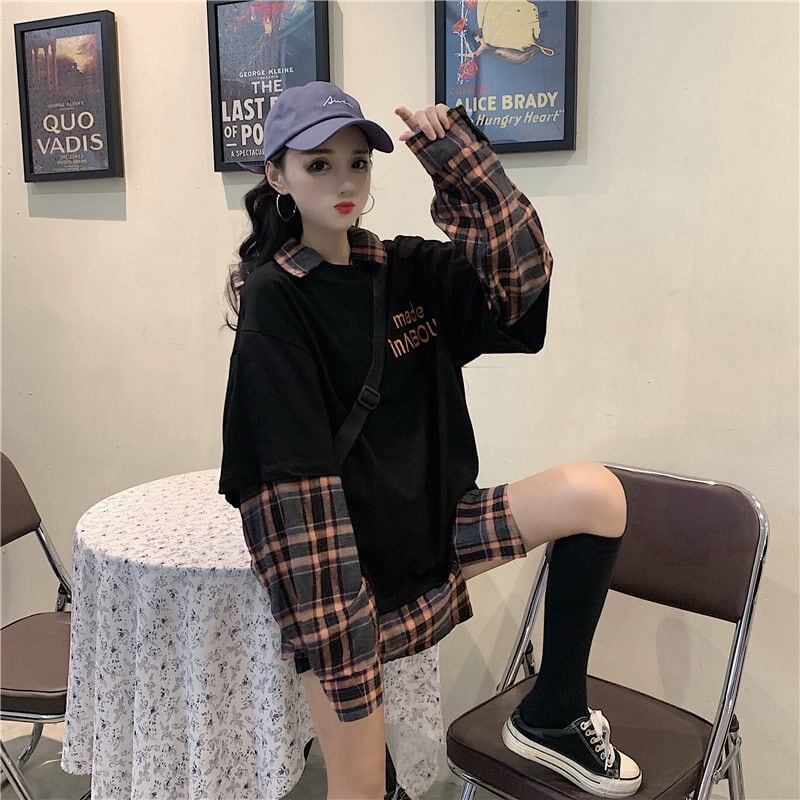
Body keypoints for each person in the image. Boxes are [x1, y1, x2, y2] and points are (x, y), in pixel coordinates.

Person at [218, 80, 642, 800]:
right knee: (359, 786)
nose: (345, 182)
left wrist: (462, 164)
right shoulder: (276, 298)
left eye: (358, 162)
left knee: (598, 497)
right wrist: (342, 632)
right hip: (345, 572)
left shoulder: (400, 270)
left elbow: (520, 281)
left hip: (435, 530)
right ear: (277, 176)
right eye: (319, 165)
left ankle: (551, 714)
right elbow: (291, 487)